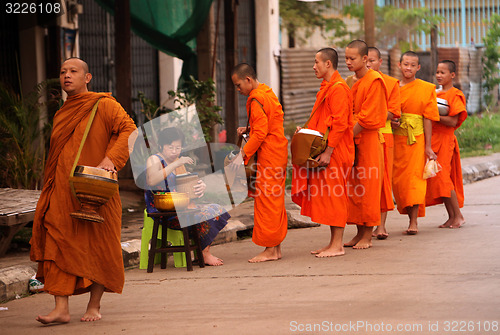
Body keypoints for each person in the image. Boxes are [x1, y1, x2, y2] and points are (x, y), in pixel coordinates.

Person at [30, 57, 137, 324]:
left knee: (99, 245)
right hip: (63, 192)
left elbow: (129, 130)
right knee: (56, 241)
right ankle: (61, 308)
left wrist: (111, 159)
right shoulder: (62, 112)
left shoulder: (104, 105)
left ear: (87, 78)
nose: (67, 75)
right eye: (63, 71)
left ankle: (94, 305)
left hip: (97, 191)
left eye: (73, 71)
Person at [292, 48, 354, 257]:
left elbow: (340, 123)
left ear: (328, 64)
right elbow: (323, 121)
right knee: (328, 196)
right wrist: (306, 131)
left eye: (316, 62)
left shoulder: (338, 89)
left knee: (335, 196)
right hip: (326, 149)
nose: (313, 66)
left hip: (335, 151)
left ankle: (337, 245)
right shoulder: (327, 87)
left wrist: (328, 151)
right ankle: (332, 243)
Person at [145, 127, 230, 266]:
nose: (174, 151)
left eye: (177, 147)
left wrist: (200, 186)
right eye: (170, 147)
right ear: (161, 146)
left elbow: (186, 185)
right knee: (205, 214)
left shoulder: (178, 161)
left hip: (181, 207)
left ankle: (202, 251)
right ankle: (204, 254)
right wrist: (175, 164)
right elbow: (152, 179)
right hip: (164, 211)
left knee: (217, 209)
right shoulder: (154, 159)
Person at [231, 63, 288, 263]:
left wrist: (241, 156)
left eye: (238, 85)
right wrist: (248, 129)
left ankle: (271, 250)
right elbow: (266, 125)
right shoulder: (267, 92)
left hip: (269, 156)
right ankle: (275, 248)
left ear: (248, 79)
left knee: (267, 202)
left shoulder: (257, 98)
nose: (238, 90)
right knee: (274, 201)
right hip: (278, 153)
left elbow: (261, 134)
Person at [343, 40, 387, 249]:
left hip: (367, 139)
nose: (348, 62)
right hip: (351, 139)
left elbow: (368, 117)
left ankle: (368, 235)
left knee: (368, 187)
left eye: (352, 59)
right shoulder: (350, 81)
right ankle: (359, 232)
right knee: (354, 187)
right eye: (346, 58)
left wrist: (345, 137)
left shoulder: (374, 80)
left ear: (364, 59)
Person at [392, 51, 440, 234]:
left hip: (417, 140)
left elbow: (428, 118)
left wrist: (428, 146)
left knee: (415, 181)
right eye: (405, 64)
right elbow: (387, 113)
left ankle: (413, 222)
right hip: (396, 139)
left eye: (413, 65)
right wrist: (392, 122)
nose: (408, 68)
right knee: (398, 182)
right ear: (399, 65)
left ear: (418, 67)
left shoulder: (426, 88)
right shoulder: (392, 87)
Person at [425, 60, 467, 228]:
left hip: (445, 139)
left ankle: (458, 215)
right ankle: (451, 216)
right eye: (437, 72)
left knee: (443, 178)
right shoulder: (435, 93)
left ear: (452, 75)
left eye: (443, 73)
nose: (439, 75)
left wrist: (433, 115)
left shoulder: (455, 94)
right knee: (439, 179)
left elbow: (453, 121)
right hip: (433, 139)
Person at [366, 46, 402, 240]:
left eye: (372, 60)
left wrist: (371, 116)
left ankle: (381, 225)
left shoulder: (390, 83)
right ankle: (365, 225)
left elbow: (394, 110)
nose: (369, 64)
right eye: (367, 60)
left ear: (380, 62)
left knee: (382, 180)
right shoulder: (355, 82)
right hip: (361, 136)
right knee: (365, 181)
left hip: (384, 135)